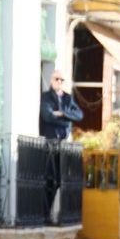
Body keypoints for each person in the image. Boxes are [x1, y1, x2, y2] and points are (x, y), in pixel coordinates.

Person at [39, 69, 83, 216]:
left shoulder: (67, 99)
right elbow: (47, 116)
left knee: (59, 180)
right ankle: (45, 213)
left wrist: (63, 114)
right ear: (51, 81)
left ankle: (50, 213)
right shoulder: (46, 97)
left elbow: (79, 115)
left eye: (61, 80)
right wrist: (66, 119)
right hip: (49, 143)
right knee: (48, 179)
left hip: (62, 145)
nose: (59, 82)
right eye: (56, 79)